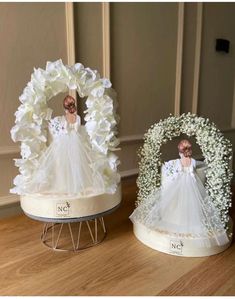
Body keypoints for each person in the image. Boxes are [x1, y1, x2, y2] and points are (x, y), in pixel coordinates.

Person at [130, 139, 229, 247]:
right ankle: (189, 222)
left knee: (178, 202)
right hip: (191, 183)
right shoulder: (193, 161)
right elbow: (192, 173)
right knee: (191, 203)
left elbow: (175, 171)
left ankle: (176, 221)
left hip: (180, 182)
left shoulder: (179, 161)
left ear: (180, 152)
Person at [23, 95, 105, 196]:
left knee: (74, 162)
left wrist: (67, 128)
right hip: (72, 139)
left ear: (65, 108)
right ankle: (69, 185)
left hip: (70, 139)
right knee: (68, 162)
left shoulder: (72, 117)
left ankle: (74, 185)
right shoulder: (76, 117)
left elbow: (72, 129)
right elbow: (74, 129)